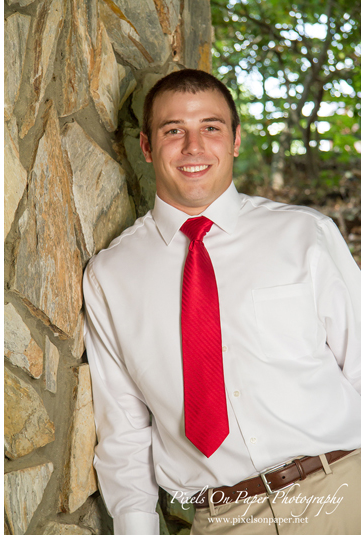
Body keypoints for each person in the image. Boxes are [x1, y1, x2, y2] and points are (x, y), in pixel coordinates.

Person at [83, 69, 361, 535]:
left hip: (344, 493)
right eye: (174, 131)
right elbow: (123, 429)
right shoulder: (111, 276)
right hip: (225, 519)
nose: (193, 147)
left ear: (234, 140)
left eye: (210, 128)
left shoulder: (304, 235)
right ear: (147, 148)